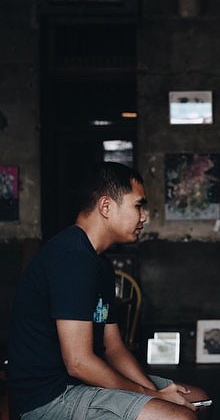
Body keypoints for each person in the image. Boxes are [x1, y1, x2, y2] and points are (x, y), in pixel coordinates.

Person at [8, 162, 208, 420]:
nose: (144, 216)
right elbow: (78, 362)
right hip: (52, 396)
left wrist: (152, 391)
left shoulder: (99, 263)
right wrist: (154, 397)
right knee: (181, 417)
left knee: (199, 400)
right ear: (105, 206)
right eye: (138, 205)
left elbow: (113, 348)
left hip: (83, 384)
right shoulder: (72, 257)